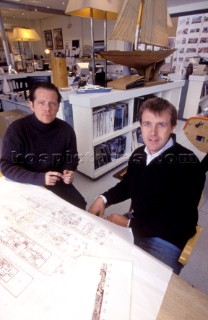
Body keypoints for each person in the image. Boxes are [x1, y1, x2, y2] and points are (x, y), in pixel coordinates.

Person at [88, 97, 205, 274]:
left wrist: (129, 224)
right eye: (147, 124)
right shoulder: (138, 154)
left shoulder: (189, 164)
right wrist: (103, 199)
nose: (153, 133)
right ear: (140, 126)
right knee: (100, 263)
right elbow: (129, 185)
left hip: (167, 238)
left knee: (146, 285)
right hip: (138, 221)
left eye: (161, 125)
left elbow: (179, 221)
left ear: (173, 127)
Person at [0, 82, 86, 210]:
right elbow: (6, 166)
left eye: (52, 103)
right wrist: (40, 178)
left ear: (58, 107)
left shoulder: (66, 129)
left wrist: (68, 169)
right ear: (31, 105)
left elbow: (72, 157)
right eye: (41, 103)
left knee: (80, 206)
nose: (47, 108)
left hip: (55, 180)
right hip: (25, 181)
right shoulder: (17, 129)